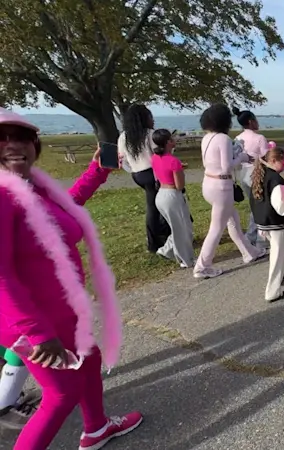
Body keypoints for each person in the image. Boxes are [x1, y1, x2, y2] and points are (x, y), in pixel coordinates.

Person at [0, 108, 140, 449]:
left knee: (89, 365)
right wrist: (37, 333)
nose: (13, 145)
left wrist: (97, 172)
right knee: (60, 396)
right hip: (33, 321)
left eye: (21, 137)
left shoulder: (33, 187)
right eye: (1, 139)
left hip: (65, 311)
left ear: (35, 144)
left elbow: (64, 212)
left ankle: (96, 428)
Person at [194, 104, 266, 279]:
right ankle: (202, 266)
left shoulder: (207, 138)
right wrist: (241, 157)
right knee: (216, 228)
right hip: (221, 186)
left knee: (232, 221)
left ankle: (249, 252)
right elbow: (226, 167)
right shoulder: (223, 139)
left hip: (209, 183)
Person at [118, 105, 171, 253]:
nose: (152, 119)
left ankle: (160, 236)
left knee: (154, 204)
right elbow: (159, 156)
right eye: (150, 116)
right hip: (152, 173)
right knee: (156, 206)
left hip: (138, 174)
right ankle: (155, 242)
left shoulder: (124, 136)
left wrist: (133, 171)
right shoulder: (150, 134)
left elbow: (122, 159)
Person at [249, 145, 284, 302]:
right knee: (277, 254)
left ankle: (282, 274)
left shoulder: (259, 175)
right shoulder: (276, 179)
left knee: (279, 252)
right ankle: (272, 290)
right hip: (275, 223)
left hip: (262, 222)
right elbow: (281, 206)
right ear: (274, 160)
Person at [151, 129, 195, 268]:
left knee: (177, 226)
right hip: (172, 196)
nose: (175, 140)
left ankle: (166, 250)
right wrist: (180, 171)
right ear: (168, 142)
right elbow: (179, 185)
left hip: (161, 194)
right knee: (182, 229)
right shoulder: (173, 161)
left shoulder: (155, 158)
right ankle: (185, 259)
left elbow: (159, 175)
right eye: (172, 139)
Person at [233, 107, 271, 247]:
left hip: (243, 173)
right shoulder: (259, 138)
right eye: (255, 119)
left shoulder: (238, 138)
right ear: (250, 122)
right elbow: (266, 158)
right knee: (260, 205)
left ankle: (253, 236)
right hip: (256, 173)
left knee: (254, 205)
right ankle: (256, 237)